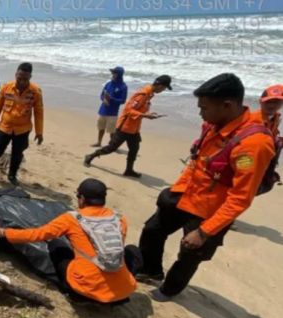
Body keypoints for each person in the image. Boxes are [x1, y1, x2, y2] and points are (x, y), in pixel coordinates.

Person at [137, 73, 276, 302]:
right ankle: (151, 271)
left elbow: (240, 198)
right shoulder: (217, 123)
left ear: (227, 105)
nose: (200, 113)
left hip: (212, 209)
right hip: (188, 193)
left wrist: (204, 232)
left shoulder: (253, 145)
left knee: (191, 253)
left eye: (204, 108)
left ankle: (168, 290)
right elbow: (200, 160)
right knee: (153, 229)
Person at [0, 178, 140, 304]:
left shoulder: (71, 219)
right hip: (124, 290)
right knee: (132, 250)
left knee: (56, 244)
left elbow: (38, 234)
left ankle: (73, 293)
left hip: (87, 288)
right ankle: (118, 282)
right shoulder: (120, 219)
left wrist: (6, 232)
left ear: (81, 199)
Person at [84, 75, 172, 178]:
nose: (163, 90)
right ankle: (90, 156)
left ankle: (129, 170)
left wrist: (148, 113)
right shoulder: (143, 94)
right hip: (124, 127)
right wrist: (145, 115)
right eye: (164, 88)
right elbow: (128, 110)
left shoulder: (149, 94)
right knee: (111, 148)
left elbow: (139, 108)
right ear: (160, 85)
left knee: (134, 149)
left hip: (134, 129)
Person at [0, 62, 44, 186]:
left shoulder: (36, 92)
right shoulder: (6, 87)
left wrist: (39, 132)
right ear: (16, 74)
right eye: (19, 78)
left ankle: (12, 175)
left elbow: (39, 112)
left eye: (25, 79)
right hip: (4, 127)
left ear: (30, 77)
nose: (22, 81)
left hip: (22, 130)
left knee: (17, 155)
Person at [251, 84, 283, 194]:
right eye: (268, 101)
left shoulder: (275, 118)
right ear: (260, 101)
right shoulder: (254, 121)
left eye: (276, 102)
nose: (272, 105)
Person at [92, 66, 128, 147]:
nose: (112, 74)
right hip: (103, 110)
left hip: (113, 112)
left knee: (112, 131)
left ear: (119, 74)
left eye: (114, 73)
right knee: (101, 127)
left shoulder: (123, 87)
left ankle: (112, 145)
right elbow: (102, 94)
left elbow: (122, 101)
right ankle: (99, 142)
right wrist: (103, 99)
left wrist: (111, 99)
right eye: (112, 72)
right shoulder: (108, 83)